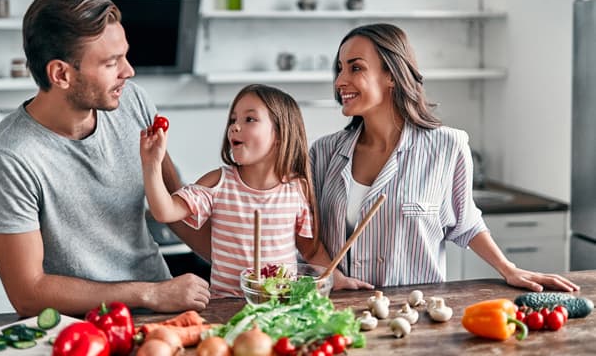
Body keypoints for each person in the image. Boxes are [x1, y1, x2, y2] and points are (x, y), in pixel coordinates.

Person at [0, 0, 210, 317]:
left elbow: (176, 205)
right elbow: (28, 293)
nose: (128, 72)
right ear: (61, 74)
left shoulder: (133, 102)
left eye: (125, 56)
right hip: (82, 330)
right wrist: (149, 293)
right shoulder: (10, 157)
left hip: (163, 312)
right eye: (111, 63)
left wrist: (238, 265)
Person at [309, 23, 579, 292]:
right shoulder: (323, 153)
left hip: (412, 314)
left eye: (355, 67)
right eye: (340, 68)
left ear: (391, 74)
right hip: (340, 315)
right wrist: (331, 278)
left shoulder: (447, 146)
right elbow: (306, 233)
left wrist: (508, 269)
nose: (339, 81)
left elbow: (467, 223)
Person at [140, 84, 372, 297]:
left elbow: (311, 251)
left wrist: (336, 278)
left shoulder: (297, 189)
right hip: (226, 308)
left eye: (249, 119)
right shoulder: (219, 183)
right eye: (233, 119)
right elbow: (164, 212)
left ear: (280, 135)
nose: (235, 126)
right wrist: (152, 164)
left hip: (280, 306)